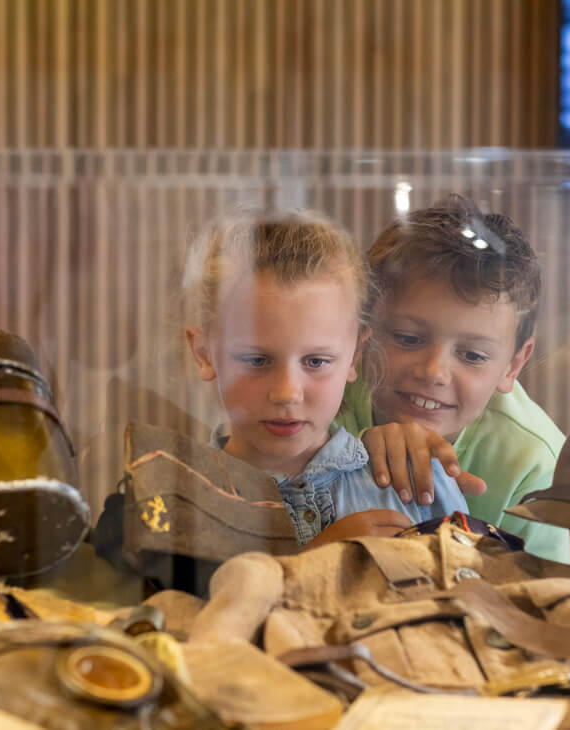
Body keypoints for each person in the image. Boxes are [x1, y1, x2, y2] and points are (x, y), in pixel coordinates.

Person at [181, 208, 467, 549]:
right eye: (256, 360)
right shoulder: (181, 503)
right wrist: (312, 563)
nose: (287, 393)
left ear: (355, 354)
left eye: (316, 361)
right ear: (204, 353)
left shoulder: (415, 482)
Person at [337, 196, 570, 563]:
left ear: (512, 365)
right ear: (363, 329)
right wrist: (353, 455)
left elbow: (540, 600)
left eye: (473, 355)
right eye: (408, 338)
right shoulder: (324, 397)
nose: (433, 371)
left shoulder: (534, 464)